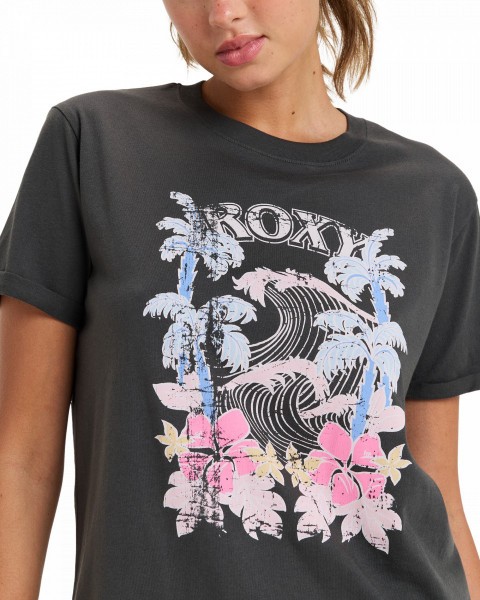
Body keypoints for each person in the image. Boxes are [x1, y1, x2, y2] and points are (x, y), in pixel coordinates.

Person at [0, 0, 479, 598]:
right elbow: (20, 456)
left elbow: (437, 485)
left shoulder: (433, 194)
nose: (222, 13)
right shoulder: (96, 141)